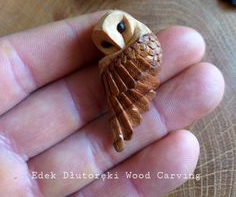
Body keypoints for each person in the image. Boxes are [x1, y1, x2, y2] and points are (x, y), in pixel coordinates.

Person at [0, 11, 224, 196]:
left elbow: (125, 89)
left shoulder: (133, 49)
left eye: (119, 31)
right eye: (108, 43)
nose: (118, 42)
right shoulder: (113, 63)